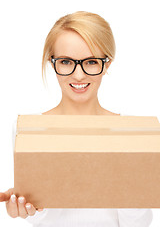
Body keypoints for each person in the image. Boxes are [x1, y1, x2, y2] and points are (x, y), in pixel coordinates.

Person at [0, 11, 153, 226]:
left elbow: (138, 223)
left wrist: (130, 188)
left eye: (91, 62)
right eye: (65, 61)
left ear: (106, 64)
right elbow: (46, 219)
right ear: (52, 63)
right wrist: (28, 209)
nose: (78, 75)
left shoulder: (130, 133)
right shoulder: (29, 131)